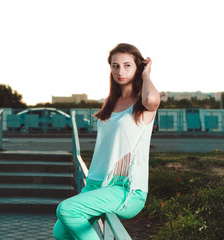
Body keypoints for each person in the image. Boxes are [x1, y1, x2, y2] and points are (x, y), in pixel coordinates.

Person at [53, 43, 160, 240]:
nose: (120, 71)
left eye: (127, 65)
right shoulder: (111, 102)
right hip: (97, 183)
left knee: (67, 209)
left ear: (138, 67)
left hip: (126, 188)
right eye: (115, 66)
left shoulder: (142, 104)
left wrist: (147, 75)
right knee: (60, 233)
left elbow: (153, 99)